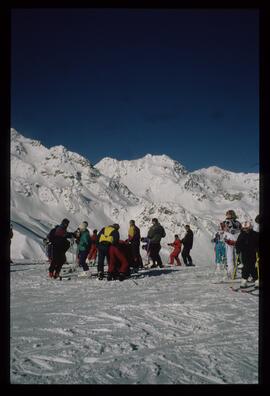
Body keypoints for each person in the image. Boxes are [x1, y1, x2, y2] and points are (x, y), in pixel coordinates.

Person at [235, 221, 259, 288]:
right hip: (245, 253)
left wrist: (257, 248)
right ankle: (244, 280)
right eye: (244, 228)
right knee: (246, 266)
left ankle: (256, 280)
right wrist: (238, 249)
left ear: (250, 227)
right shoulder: (241, 235)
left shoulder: (255, 234)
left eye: (247, 228)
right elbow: (238, 243)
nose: (246, 230)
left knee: (254, 266)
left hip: (253, 253)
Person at [223, 210, 242, 279]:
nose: (228, 216)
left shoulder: (237, 222)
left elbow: (240, 230)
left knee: (238, 257)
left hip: (236, 240)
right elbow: (224, 231)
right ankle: (231, 272)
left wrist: (233, 231)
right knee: (230, 257)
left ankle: (237, 272)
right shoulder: (225, 222)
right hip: (229, 241)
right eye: (227, 214)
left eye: (229, 214)